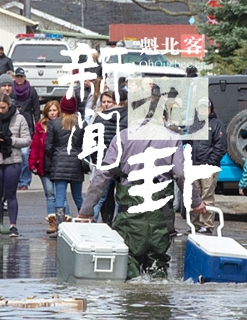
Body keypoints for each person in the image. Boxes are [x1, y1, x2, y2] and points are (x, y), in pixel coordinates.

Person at [77, 113, 206, 280]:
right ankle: (158, 302)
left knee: (128, 259)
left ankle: (132, 297)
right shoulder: (172, 138)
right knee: (157, 261)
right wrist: (195, 202)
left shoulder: (123, 137)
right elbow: (181, 174)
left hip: (130, 212)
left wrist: (86, 209)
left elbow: (103, 175)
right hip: (160, 213)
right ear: (162, 117)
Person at [0, 93, 31, 237]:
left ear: (9, 105)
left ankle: (13, 226)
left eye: (3, 108)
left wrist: (11, 141)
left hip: (12, 160)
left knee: (11, 194)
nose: (0, 111)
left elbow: (27, 140)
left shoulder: (19, 118)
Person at [28, 100, 69, 234]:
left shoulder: (64, 125)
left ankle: (65, 221)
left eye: (54, 110)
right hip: (44, 165)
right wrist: (32, 163)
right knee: (50, 194)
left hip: (59, 164)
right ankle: (52, 222)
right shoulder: (40, 127)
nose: (52, 113)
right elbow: (34, 146)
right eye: (49, 110)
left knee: (61, 195)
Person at [89, 91, 129, 225]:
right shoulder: (128, 118)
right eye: (104, 102)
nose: (106, 105)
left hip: (104, 161)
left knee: (100, 194)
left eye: (109, 102)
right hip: (122, 162)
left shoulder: (100, 118)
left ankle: (92, 220)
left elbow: (93, 140)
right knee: (120, 194)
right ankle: (117, 223)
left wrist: (95, 159)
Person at [46, 95, 86, 223]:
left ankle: (60, 225)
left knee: (60, 197)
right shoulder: (81, 124)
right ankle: (85, 220)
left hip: (59, 162)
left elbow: (48, 146)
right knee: (78, 196)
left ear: (61, 108)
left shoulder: (54, 123)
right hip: (76, 163)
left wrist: (53, 158)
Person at [189, 99, 227, 233]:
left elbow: (221, 147)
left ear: (211, 109)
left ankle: (207, 225)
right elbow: (188, 143)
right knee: (194, 196)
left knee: (207, 196)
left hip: (208, 167)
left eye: (206, 107)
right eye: (201, 108)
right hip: (194, 166)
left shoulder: (217, 124)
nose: (204, 110)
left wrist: (210, 162)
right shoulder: (194, 125)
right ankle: (194, 225)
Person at [12, 67, 40, 191]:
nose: (19, 79)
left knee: (24, 154)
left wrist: (38, 126)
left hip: (27, 126)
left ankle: (24, 181)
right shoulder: (11, 90)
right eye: (17, 76)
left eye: (21, 77)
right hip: (13, 125)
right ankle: (15, 180)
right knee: (14, 155)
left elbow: (36, 110)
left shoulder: (31, 91)